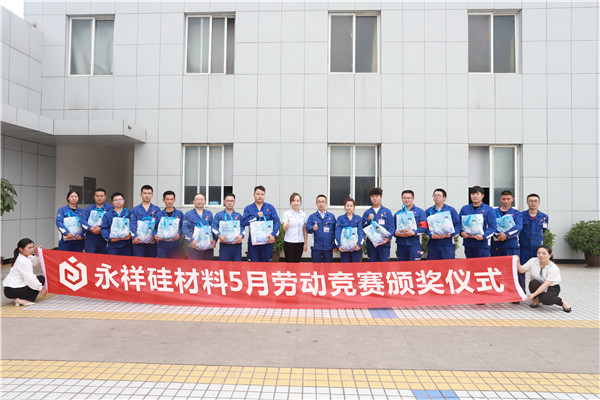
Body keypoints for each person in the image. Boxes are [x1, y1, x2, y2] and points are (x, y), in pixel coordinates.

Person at [517, 245, 571, 312]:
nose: (541, 255)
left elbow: (545, 285)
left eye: (544, 253)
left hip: (552, 287)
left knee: (546, 300)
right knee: (533, 283)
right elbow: (521, 270)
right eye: (539, 253)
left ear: (550, 255)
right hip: (537, 284)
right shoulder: (533, 261)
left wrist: (533, 294)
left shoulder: (554, 268)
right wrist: (517, 261)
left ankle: (562, 301)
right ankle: (536, 299)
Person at [492, 190, 524, 290]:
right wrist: (498, 234)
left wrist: (506, 235)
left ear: (512, 199)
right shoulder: (493, 212)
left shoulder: (517, 213)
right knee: (496, 270)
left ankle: (518, 292)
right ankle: (497, 291)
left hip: (511, 245)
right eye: (504, 199)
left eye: (508, 199)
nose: (506, 201)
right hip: (496, 246)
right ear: (500, 199)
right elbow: (490, 225)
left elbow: (518, 227)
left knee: (514, 270)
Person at [3, 238, 47, 306]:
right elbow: (30, 278)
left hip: (10, 289)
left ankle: (19, 298)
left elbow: (35, 262)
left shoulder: (24, 256)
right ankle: (21, 299)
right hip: (13, 290)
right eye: (29, 248)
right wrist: (41, 288)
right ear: (21, 249)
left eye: (33, 247)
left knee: (39, 279)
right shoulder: (23, 261)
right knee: (40, 280)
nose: (32, 249)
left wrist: (37, 254)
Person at [242, 185, 280, 262]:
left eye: (262, 194)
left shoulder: (270, 207)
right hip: (253, 243)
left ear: (264, 195)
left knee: (266, 265)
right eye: (258, 194)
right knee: (253, 265)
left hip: (267, 242)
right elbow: (243, 222)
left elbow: (276, 222)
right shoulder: (248, 208)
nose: (260, 196)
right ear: (254, 195)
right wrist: (256, 216)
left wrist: (273, 235)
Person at [459, 186, 497, 258]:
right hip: (468, 244)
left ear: (482, 195)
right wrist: (461, 233)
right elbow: (459, 224)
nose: (475, 196)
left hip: (482, 244)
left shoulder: (489, 209)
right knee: (470, 264)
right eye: (472, 194)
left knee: (482, 264)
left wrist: (483, 236)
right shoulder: (464, 209)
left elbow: (493, 227)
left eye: (477, 194)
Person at [425, 189, 461, 260]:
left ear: (444, 197)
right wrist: (431, 235)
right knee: (433, 265)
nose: (436, 197)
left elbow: (458, 225)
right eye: (434, 195)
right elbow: (425, 227)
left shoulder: (451, 210)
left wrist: (451, 235)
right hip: (433, 243)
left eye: (439, 195)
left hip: (447, 243)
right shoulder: (428, 211)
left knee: (447, 265)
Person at [361, 187, 394, 262]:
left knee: (384, 265)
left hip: (384, 244)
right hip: (371, 244)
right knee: (372, 265)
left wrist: (388, 238)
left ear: (381, 197)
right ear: (370, 198)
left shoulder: (387, 212)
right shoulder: (367, 212)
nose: (375, 198)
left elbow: (391, 227)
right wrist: (368, 219)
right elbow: (362, 226)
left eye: (377, 196)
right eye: (373, 196)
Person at [394, 190, 427, 262]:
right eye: (404, 198)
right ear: (402, 199)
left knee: (415, 266)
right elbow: (393, 228)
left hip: (415, 244)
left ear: (413, 198)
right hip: (401, 244)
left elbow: (423, 227)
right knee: (402, 266)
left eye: (409, 198)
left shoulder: (420, 212)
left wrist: (414, 233)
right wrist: (395, 233)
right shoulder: (398, 213)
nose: (406, 200)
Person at [211, 193, 244, 261]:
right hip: (224, 245)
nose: (230, 203)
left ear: (234, 202)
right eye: (228, 201)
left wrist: (241, 235)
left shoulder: (238, 215)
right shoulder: (219, 215)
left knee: (237, 266)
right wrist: (219, 235)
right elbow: (213, 227)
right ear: (224, 202)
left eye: (231, 201)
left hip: (237, 246)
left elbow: (242, 228)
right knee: (224, 265)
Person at [130, 185, 161, 258]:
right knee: (139, 263)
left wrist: (155, 237)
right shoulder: (135, 209)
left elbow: (158, 225)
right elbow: (132, 224)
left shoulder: (157, 209)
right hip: (139, 242)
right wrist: (135, 237)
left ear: (152, 195)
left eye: (149, 193)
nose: (147, 195)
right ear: (141, 195)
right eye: (145, 193)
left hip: (152, 242)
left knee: (152, 263)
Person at [183, 193, 216, 260]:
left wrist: (215, 240)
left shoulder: (209, 214)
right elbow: (185, 229)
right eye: (197, 199)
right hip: (194, 247)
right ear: (194, 202)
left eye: (201, 199)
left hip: (207, 248)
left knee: (207, 265)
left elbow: (213, 228)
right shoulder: (188, 214)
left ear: (205, 202)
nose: (200, 201)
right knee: (194, 266)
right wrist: (191, 241)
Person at [519, 193, 549, 266]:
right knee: (522, 267)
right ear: (527, 202)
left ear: (539, 202)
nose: (533, 203)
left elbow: (544, 229)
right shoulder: (521, 215)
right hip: (523, 246)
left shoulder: (544, 217)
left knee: (537, 266)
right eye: (530, 201)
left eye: (535, 201)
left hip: (537, 247)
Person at [81, 188, 113, 254]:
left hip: (105, 238)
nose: (99, 198)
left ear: (105, 197)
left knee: (105, 259)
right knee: (90, 259)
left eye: (101, 196)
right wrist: (91, 228)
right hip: (91, 238)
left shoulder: (111, 208)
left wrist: (101, 229)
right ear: (94, 197)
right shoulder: (89, 209)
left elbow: (113, 221)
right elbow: (82, 221)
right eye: (97, 196)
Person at [306, 195, 336, 263]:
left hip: (328, 248)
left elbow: (334, 231)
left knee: (328, 267)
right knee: (316, 267)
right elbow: (307, 229)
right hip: (316, 247)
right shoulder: (312, 217)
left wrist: (335, 245)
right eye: (319, 202)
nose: (321, 204)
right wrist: (313, 228)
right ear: (316, 203)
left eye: (323, 202)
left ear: (326, 203)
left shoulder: (331, 216)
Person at [155, 191, 184, 259]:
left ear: (174, 200)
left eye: (171, 199)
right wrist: (155, 235)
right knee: (162, 263)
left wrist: (179, 234)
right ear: (163, 200)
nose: (169, 201)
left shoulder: (179, 213)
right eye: (167, 199)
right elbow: (155, 228)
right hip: (162, 245)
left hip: (175, 245)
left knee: (175, 264)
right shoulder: (159, 214)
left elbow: (183, 227)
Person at [335, 198, 364, 263]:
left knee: (355, 266)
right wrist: (339, 245)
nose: (349, 207)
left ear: (354, 207)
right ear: (344, 207)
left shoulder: (358, 218)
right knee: (345, 267)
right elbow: (337, 232)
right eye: (347, 206)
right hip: (344, 248)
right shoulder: (340, 218)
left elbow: (360, 232)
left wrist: (359, 244)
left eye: (351, 206)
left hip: (356, 248)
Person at [281, 193, 308, 263]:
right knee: (289, 263)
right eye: (293, 201)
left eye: (297, 201)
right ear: (290, 202)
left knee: (297, 262)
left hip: (300, 242)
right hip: (289, 242)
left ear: (300, 202)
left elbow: (305, 230)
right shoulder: (286, 214)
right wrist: (286, 226)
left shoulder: (303, 214)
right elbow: (284, 227)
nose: (295, 203)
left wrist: (305, 243)